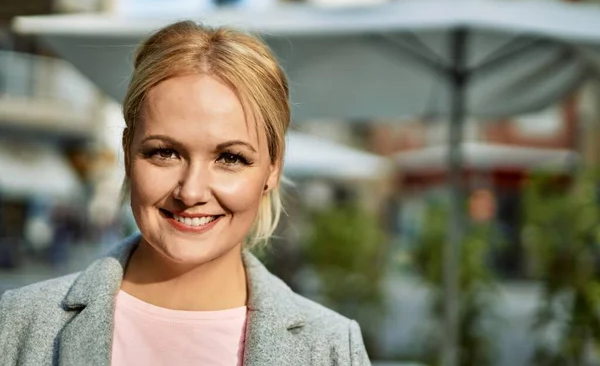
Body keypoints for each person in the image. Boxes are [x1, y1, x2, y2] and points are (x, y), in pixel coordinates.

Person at [0, 21, 370, 365]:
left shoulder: (332, 347)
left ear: (272, 168)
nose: (191, 191)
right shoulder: (19, 324)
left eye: (230, 157)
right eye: (164, 152)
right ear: (128, 153)